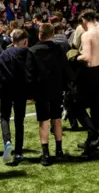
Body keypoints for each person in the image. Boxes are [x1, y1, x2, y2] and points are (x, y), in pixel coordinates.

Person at [26, 23, 74, 165]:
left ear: (40, 34)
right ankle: (59, 150)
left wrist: (30, 93)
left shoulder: (32, 50)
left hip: (41, 90)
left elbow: (29, 74)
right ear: (52, 34)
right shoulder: (59, 49)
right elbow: (66, 69)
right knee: (57, 118)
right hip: (56, 89)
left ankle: (45, 153)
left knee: (44, 121)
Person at [73, 10, 99, 156]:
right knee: (96, 107)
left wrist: (74, 57)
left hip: (88, 74)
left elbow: (87, 58)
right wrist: (98, 59)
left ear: (84, 20)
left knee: (75, 106)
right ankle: (90, 143)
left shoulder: (86, 35)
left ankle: (93, 132)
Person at [0, 29, 30, 165]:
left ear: (12, 41)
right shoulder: (28, 53)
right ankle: (19, 152)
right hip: (21, 90)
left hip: (6, 89)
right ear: (25, 41)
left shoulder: (5, 54)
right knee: (19, 120)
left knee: (4, 117)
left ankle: (7, 141)